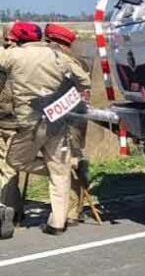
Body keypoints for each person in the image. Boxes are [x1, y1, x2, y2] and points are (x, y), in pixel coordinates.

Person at [0, 21, 91, 236]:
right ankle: (57, 224)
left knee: (15, 161)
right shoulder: (58, 56)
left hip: (28, 121)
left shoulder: (13, 56)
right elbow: (84, 81)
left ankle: (15, 212)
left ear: (18, 39)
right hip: (57, 120)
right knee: (60, 169)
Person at [44, 24, 92, 224]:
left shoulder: (69, 63)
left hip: (71, 119)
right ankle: (69, 207)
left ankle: (72, 209)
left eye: (49, 42)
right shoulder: (72, 61)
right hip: (67, 118)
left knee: (71, 160)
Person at [0, 21, 44, 239]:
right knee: (10, 168)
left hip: (10, 121)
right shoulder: (37, 59)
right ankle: (15, 211)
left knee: (7, 168)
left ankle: (6, 212)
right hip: (32, 121)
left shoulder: (10, 60)